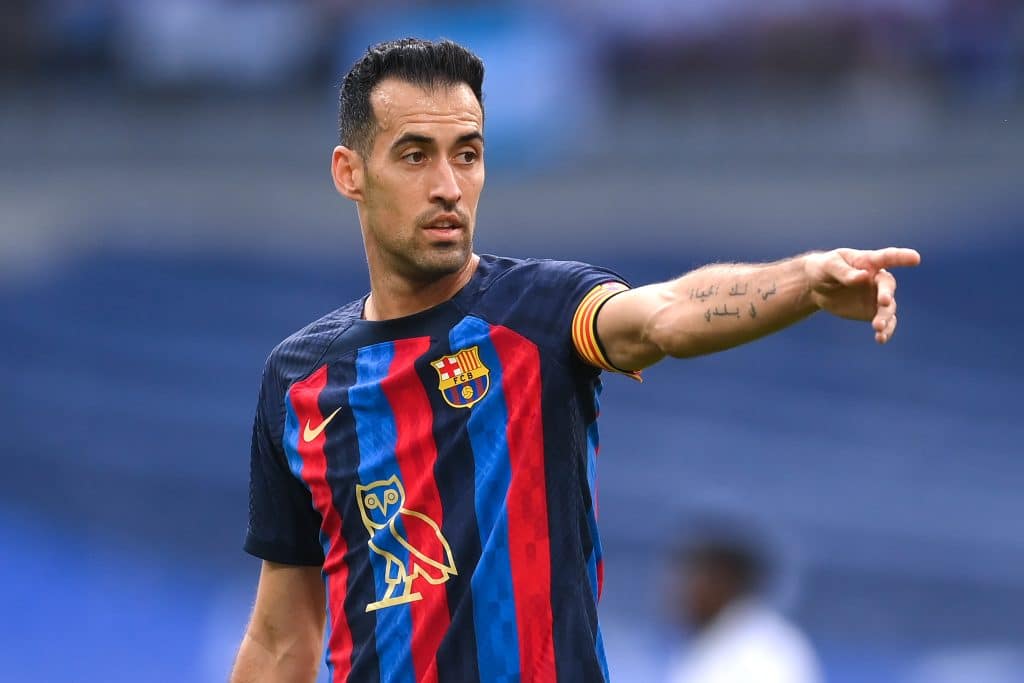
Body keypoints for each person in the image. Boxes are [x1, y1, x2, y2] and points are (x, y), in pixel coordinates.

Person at [230, 37, 920, 683]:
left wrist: (804, 283)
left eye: (466, 153)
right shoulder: (300, 381)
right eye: (415, 155)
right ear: (350, 173)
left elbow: (668, 314)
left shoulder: (541, 310)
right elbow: (283, 634)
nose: (448, 185)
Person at [665, 535, 822, 683]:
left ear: (723, 583)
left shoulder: (767, 649)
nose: (680, 591)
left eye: (693, 579)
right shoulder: (710, 639)